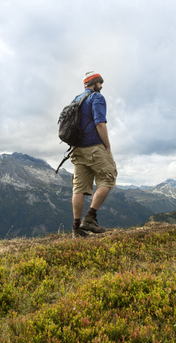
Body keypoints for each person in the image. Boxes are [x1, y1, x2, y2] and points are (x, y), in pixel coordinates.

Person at [70, 71, 118, 238]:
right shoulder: (97, 98)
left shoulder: (76, 99)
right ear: (94, 83)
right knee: (109, 176)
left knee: (79, 188)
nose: (102, 86)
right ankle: (90, 218)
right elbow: (100, 123)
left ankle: (77, 229)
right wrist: (107, 145)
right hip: (93, 146)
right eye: (100, 83)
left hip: (76, 149)